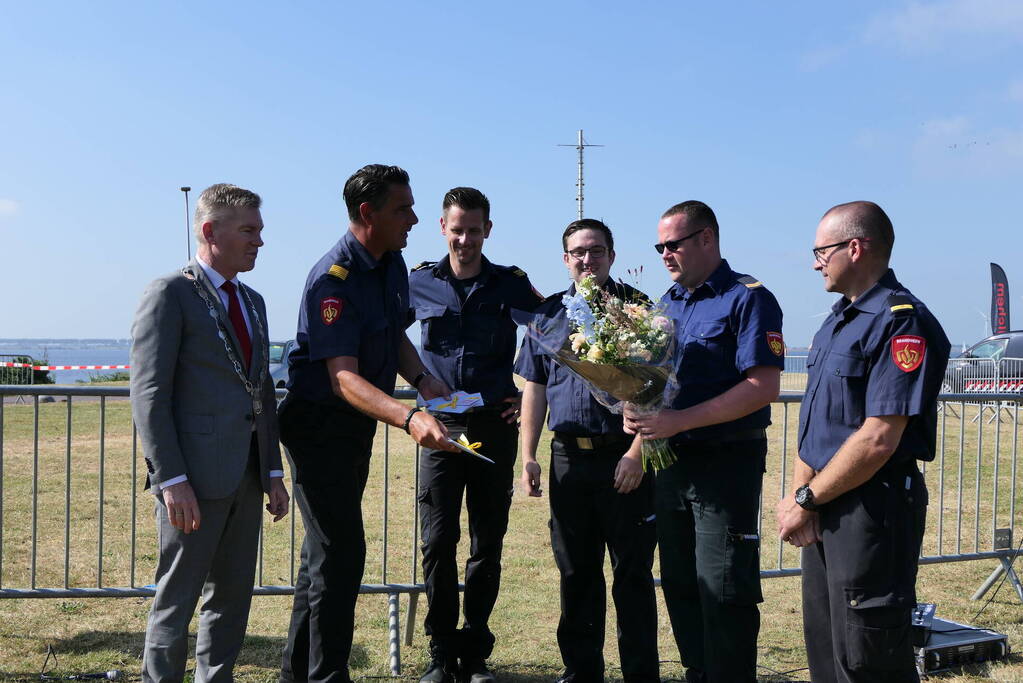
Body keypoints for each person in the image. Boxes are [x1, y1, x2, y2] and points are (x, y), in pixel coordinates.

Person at [280, 164, 457, 683]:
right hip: (319, 429)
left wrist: (424, 380)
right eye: (403, 208)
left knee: (322, 560)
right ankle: (328, 675)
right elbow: (343, 380)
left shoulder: (391, 262)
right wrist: (409, 416)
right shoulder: (332, 279)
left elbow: (395, 335)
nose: (415, 218)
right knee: (341, 556)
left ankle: (298, 674)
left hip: (354, 430)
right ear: (367, 213)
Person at [776, 201, 950, 682]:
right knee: (828, 652)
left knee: (868, 655)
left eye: (821, 250)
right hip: (825, 506)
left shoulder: (901, 322)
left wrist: (808, 499)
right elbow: (816, 427)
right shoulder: (837, 321)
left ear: (855, 248)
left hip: (872, 509)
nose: (815, 262)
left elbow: (878, 438)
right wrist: (799, 497)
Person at [131, 183, 290, 683]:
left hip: (245, 477)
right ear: (209, 230)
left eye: (259, 231)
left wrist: (271, 470)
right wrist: (170, 477)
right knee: (175, 601)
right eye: (248, 230)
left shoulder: (255, 301)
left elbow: (260, 387)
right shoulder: (169, 294)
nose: (259, 241)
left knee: (232, 599)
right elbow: (150, 395)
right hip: (192, 482)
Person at [623, 201, 784, 683]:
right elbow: (653, 379)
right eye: (659, 246)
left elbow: (763, 386)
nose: (665, 254)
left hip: (724, 464)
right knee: (680, 581)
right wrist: (636, 407)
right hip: (671, 465)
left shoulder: (748, 298)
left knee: (724, 584)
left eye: (673, 244)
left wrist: (680, 420)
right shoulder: (666, 303)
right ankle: (698, 670)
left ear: (707, 239)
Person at [409, 187, 544, 683]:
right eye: (456, 228)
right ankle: (441, 651)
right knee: (438, 541)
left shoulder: (509, 284)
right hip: (441, 428)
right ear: (442, 228)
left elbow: (552, 331)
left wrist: (527, 389)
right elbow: (384, 337)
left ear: (488, 230)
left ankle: (476, 650)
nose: (465, 238)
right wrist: (413, 385)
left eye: (474, 229)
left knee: (488, 541)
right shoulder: (419, 283)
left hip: (491, 427)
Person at [516, 219, 659, 683]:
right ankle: (581, 672)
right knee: (576, 573)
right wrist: (529, 456)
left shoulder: (639, 311)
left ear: (612, 256)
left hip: (624, 460)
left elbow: (659, 390)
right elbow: (534, 389)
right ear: (565, 259)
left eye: (596, 251)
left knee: (632, 575)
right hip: (569, 461)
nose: (587, 259)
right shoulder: (547, 316)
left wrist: (637, 451)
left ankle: (640, 674)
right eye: (578, 252)